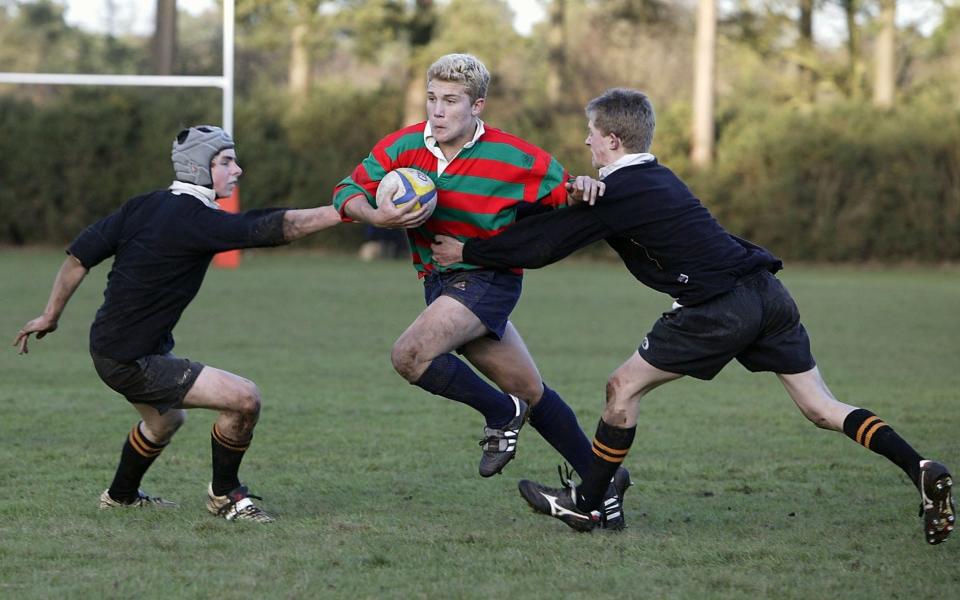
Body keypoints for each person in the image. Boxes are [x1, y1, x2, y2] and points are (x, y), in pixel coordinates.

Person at [430, 88, 955, 544]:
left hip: (718, 307)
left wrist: (469, 251)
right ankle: (919, 466)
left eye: (591, 134)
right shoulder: (656, 177)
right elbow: (553, 219)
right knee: (822, 408)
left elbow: (546, 243)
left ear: (612, 139)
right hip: (768, 294)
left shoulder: (618, 190)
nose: (586, 143)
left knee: (622, 389)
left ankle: (588, 502)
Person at [331, 53, 630, 529]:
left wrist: (581, 189)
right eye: (432, 98)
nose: (438, 110)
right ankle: (605, 486)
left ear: (478, 105)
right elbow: (345, 192)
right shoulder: (404, 147)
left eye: (451, 101)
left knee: (409, 356)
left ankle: (499, 413)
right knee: (530, 390)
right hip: (439, 283)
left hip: (490, 280)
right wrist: (377, 216)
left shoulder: (517, 158)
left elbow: (564, 200)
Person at [13, 125, 341, 523]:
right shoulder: (194, 218)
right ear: (198, 167)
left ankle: (120, 497)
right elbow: (274, 227)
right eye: (226, 162)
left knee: (165, 419)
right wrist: (341, 212)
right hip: (131, 358)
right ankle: (225, 496)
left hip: (111, 347)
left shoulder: (144, 205)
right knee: (244, 398)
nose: (237, 170)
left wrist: (51, 315)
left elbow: (78, 256)